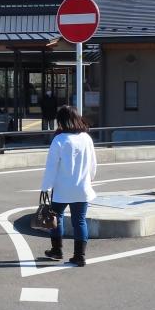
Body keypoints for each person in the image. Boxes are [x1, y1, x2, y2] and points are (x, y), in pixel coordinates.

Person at [38, 104, 97, 266]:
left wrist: (45, 187)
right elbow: (93, 164)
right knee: (80, 221)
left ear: (61, 121)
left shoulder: (60, 139)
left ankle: (57, 250)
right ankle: (80, 256)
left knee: (56, 217)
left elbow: (51, 166)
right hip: (82, 188)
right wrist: (90, 179)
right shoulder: (86, 138)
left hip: (62, 189)